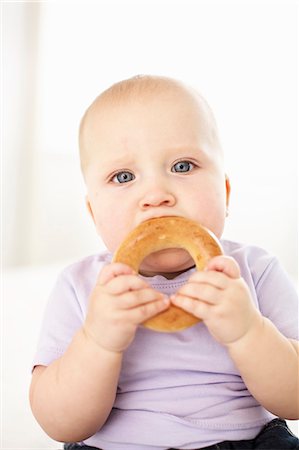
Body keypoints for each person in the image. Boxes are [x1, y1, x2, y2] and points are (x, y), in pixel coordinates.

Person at [29, 75, 299, 450]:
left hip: (245, 441)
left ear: (224, 192)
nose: (156, 195)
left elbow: (295, 399)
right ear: (93, 213)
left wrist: (248, 331)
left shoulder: (253, 271)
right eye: (123, 176)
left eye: (183, 166)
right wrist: (97, 342)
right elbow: (60, 423)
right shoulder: (82, 285)